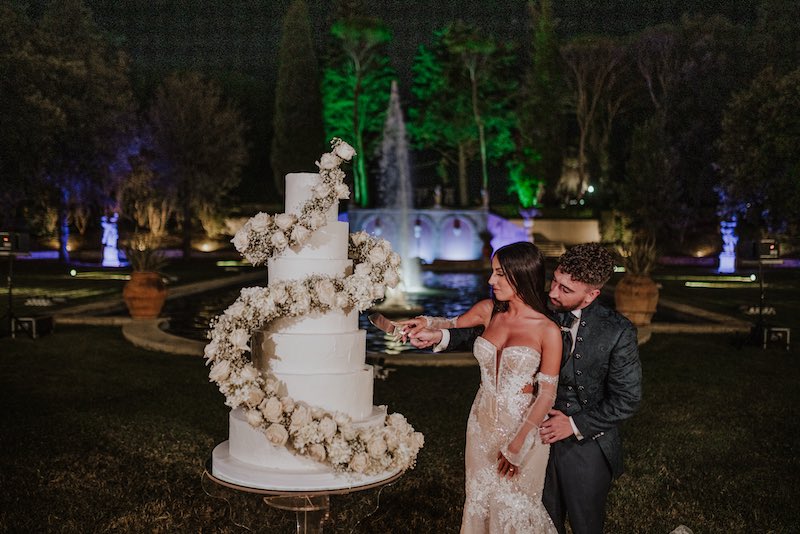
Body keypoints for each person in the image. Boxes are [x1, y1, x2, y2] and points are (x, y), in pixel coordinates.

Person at [406, 243, 642, 534]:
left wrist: (573, 424)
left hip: (585, 441)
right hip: (525, 428)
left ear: (591, 295)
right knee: (533, 517)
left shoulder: (617, 331)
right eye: (554, 281)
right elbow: (486, 333)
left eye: (566, 290)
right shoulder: (535, 303)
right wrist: (438, 335)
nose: (553, 293)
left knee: (585, 524)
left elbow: (627, 399)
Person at [401, 241, 562, 533]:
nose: (491, 280)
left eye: (500, 274)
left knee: (515, 507)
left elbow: (547, 394)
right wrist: (423, 323)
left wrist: (517, 445)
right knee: (479, 500)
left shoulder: (547, 330)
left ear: (521, 274)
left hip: (523, 427)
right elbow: (451, 322)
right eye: (492, 272)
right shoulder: (489, 311)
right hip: (481, 423)